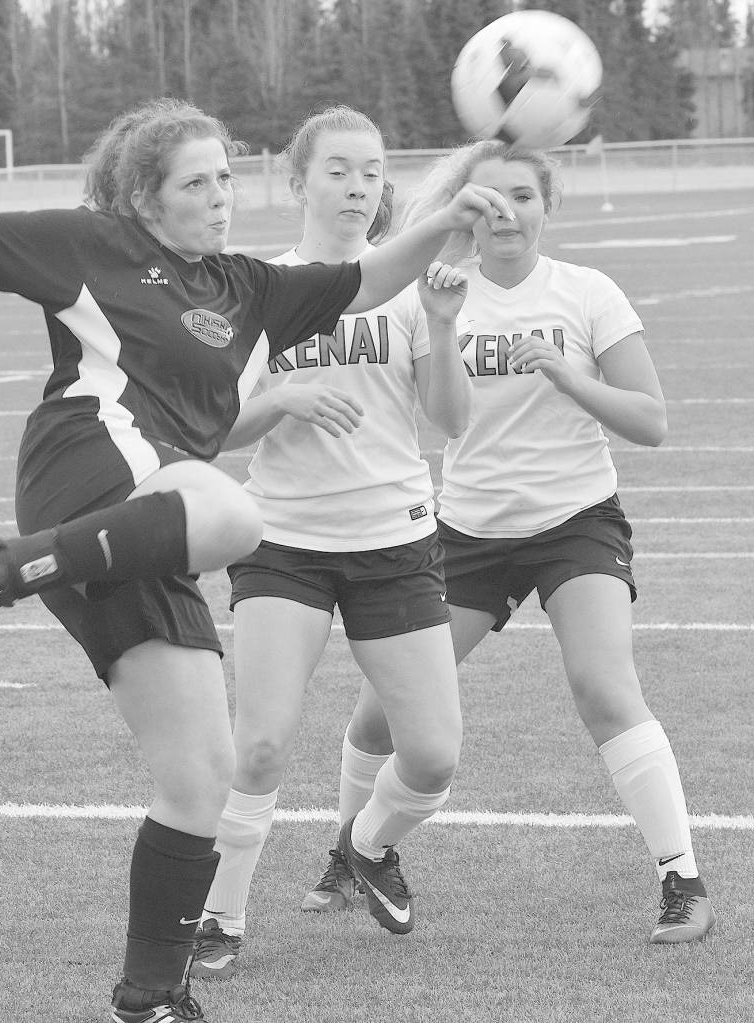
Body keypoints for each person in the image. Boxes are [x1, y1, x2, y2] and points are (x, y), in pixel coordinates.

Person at [0, 101, 518, 1023]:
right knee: (233, 513)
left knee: (202, 776)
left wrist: (446, 222)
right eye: (196, 183)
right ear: (145, 195)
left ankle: (149, 997)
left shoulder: (246, 287)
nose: (219, 198)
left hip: (147, 533)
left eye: (225, 179)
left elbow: (368, 277)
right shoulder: (96, 245)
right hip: (86, 470)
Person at [301, 138, 716, 946]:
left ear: (545, 205)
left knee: (604, 686)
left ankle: (683, 879)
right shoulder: (437, 295)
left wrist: (567, 375)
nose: (506, 214)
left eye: (522, 197)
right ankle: (348, 855)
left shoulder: (588, 293)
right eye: (488, 200)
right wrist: (439, 316)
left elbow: (652, 422)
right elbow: (434, 417)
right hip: (468, 529)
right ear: (467, 210)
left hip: (576, 522)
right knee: (382, 716)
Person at [186, 105, 472, 982]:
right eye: (340, 168)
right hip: (285, 543)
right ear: (297, 179)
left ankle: (368, 844)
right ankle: (219, 917)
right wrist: (288, 400)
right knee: (261, 744)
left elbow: (451, 421)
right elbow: (216, 428)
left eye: (374, 171)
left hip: (395, 540)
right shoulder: (257, 289)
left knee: (433, 755)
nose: (358, 186)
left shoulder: (406, 288)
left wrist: (444, 321)